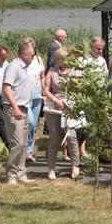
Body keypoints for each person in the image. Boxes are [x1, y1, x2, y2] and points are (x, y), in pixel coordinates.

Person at [43, 47, 82, 180]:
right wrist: (55, 100)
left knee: (71, 137)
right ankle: (51, 168)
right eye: (57, 58)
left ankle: (75, 166)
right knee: (54, 138)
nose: (58, 61)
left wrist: (66, 102)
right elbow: (46, 89)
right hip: (54, 107)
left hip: (70, 107)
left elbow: (78, 90)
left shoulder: (75, 71)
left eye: (61, 59)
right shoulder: (52, 71)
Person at [2, 41, 36, 184]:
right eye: (32, 55)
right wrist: (15, 107)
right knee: (17, 142)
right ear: (24, 54)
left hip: (25, 108)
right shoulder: (13, 67)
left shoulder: (24, 68)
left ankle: (21, 173)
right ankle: (10, 174)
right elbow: (7, 88)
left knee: (23, 144)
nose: (33, 58)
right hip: (15, 108)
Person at [21, 37, 45, 162]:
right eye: (28, 47)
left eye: (32, 47)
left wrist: (44, 91)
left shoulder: (38, 60)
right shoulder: (20, 62)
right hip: (26, 95)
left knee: (34, 124)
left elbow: (42, 76)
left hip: (37, 94)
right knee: (29, 122)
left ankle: (29, 151)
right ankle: (23, 149)